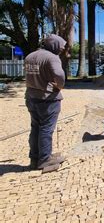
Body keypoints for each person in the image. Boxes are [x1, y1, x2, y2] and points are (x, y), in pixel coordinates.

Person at [25, 34, 67, 170]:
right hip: (47, 99)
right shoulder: (52, 57)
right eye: (60, 47)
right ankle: (44, 160)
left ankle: (35, 157)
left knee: (35, 127)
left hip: (31, 97)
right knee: (46, 129)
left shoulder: (30, 56)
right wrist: (59, 86)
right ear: (54, 45)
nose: (62, 50)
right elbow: (59, 75)